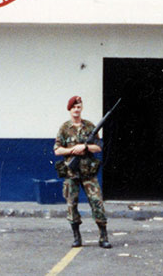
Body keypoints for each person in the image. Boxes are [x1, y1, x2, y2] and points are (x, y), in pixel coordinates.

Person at [53, 95, 111, 249]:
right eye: (74, 107)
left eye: (79, 107)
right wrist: (73, 149)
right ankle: (76, 237)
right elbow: (57, 150)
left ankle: (103, 236)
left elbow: (98, 147)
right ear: (69, 109)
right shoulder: (64, 128)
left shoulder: (90, 126)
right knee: (72, 205)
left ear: (81, 108)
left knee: (97, 202)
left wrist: (85, 147)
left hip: (88, 174)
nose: (76, 110)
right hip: (71, 174)